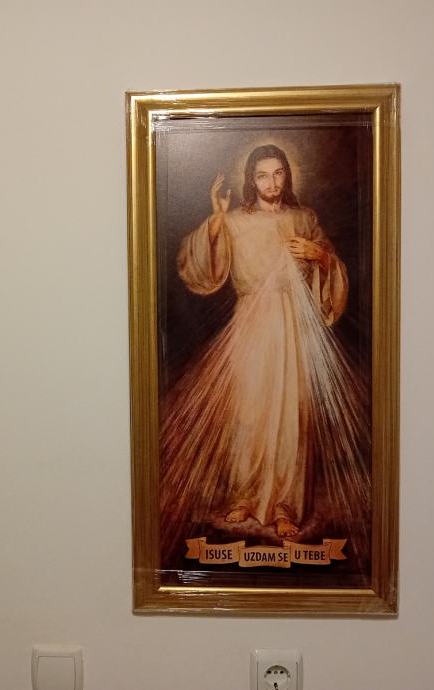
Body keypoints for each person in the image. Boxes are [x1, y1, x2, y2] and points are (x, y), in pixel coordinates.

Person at [158, 144, 369, 564]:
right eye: (262, 175)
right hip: (251, 324)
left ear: (287, 176)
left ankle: (285, 506)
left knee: (291, 414)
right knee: (249, 412)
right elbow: (197, 264)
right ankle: (245, 496)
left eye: (278, 174)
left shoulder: (304, 219)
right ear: (250, 180)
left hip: (294, 328)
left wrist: (321, 256)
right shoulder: (235, 221)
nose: (271, 183)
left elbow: (333, 272)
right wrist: (216, 219)